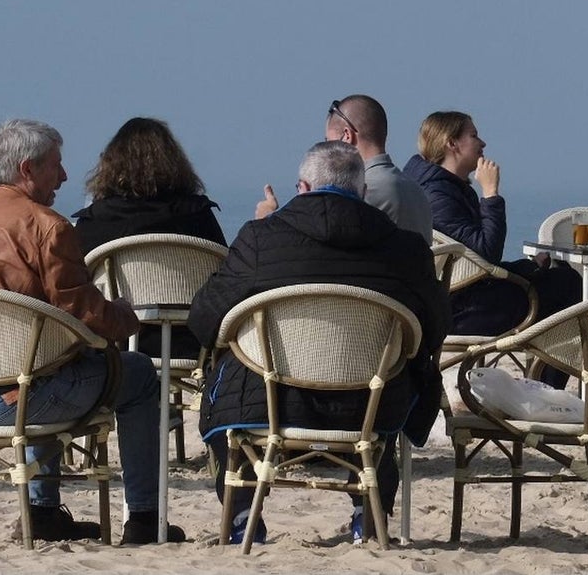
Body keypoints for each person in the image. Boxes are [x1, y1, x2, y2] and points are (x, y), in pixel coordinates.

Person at [0, 119, 185, 544]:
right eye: (57, 165)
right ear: (29, 169)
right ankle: (144, 517)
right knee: (139, 373)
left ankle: (43, 511)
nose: (65, 176)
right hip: (18, 401)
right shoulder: (48, 227)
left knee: (37, 361)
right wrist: (125, 315)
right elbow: (85, 313)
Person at [187, 141, 450, 544]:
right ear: (362, 193)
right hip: (370, 406)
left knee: (227, 369)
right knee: (399, 378)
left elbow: (205, 318)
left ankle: (242, 518)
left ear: (302, 188)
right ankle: (369, 513)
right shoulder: (405, 249)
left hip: (268, 399)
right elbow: (434, 328)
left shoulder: (260, 239)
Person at [402, 111, 581, 337]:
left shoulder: (444, 188)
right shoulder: (438, 196)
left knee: (568, 281)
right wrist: (491, 194)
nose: (483, 142)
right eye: (474, 135)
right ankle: (545, 373)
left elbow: (474, 261)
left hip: (467, 297)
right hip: (462, 311)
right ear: (451, 143)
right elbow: (487, 254)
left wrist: (529, 267)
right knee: (568, 287)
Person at [72, 116, 226, 359]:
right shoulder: (198, 216)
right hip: (196, 343)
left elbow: (77, 287)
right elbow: (224, 280)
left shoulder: (95, 222)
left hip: (120, 345)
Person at [254, 94, 432, 239]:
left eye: (327, 142)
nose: (327, 150)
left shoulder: (357, 191)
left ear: (347, 136)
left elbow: (299, 240)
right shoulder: (415, 190)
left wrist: (266, 218)